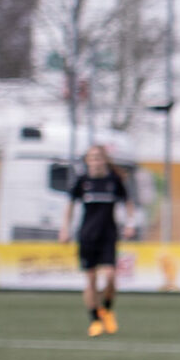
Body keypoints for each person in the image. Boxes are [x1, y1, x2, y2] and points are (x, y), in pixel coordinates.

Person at [60, 144, 138, 337]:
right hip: (87, 236)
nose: (95, 161)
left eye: (98, 157)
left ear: (104, 160)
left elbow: (127, 203)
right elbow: (70, 205)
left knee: (111, 277)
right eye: (92, 158)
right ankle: (95, 320)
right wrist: (65, 229)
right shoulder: (82, 181)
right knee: (91, 279)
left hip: (108, 235)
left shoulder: (113, 181)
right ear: (88, 161)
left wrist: (130, 224)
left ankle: (107, 308)